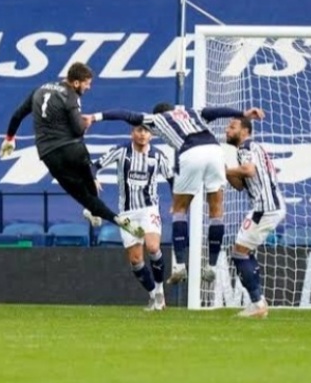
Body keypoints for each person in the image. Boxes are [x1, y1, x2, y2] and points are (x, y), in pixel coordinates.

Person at [85, 103, 265, 284]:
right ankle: (211, 265)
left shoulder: (156, 119)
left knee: (180, 210)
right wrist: (243, 113)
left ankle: (179, 266)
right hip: (215, 151)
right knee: (216, 211)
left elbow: (126, 113)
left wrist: (95, 117)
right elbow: (218, 111)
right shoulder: (194, 112)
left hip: (190, 152)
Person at [0, 62, 140, 237]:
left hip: (49, 154)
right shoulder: (70, 96)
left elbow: (17, 115)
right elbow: (78, 129)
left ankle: (116, 219)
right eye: (87, 83)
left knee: (82, 195)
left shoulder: (39, 90)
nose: (89, 87)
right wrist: (84, 123)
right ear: (75, 83)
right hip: (73, 149)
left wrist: (10, 138)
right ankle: (97, 209)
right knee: (90, 188)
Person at [89, 123, 174, 310]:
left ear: (151, 135)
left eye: (146, 131)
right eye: (139, 130)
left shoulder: (158, 156)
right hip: (127, 214)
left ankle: (160, 291)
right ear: (132, 133)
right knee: (136, 260)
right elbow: (94, 166)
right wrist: (94, 177)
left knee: (153, 246)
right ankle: (152, 296)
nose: (143, 134)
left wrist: (177, 201)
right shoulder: (121, 151)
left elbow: (172, 178)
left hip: (149, 209)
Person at [225, 117, 285, 318]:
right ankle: (258, 301)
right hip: (268, 206)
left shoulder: (246, 146)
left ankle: (258, 304)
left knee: (239, 253)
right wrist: (227, 173)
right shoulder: (252, 148)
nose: (227, 130)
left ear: (245, 131)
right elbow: (241, 185)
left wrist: (224, 169)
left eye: (232, 127)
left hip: (264, 208)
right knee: (243, 252)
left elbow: (249, 171)